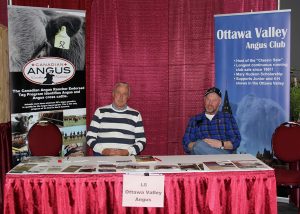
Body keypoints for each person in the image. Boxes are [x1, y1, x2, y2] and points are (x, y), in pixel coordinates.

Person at [86, 82, 146, 156]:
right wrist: (103, 150)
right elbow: (89, 137)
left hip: (126, 157)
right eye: (118, 93)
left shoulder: (136, 115)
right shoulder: (100, 112)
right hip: (103, 155)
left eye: (125, 94)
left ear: (128, 96)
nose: (121, 97)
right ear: (113, 94)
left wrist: (127, 152)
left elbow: (141, 141)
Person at [182, 87, 241, 155]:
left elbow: (236, 141)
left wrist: (220, 144)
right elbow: (186, 143)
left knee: (199, 146)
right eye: (208, 99)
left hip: (223, 153)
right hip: (200, 156)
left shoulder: (227, 118)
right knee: (199, 145)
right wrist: (201, 145)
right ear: (204, 100)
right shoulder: (195, 120)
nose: (210, 103)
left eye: (214, 100)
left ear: (219, 102)